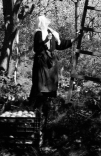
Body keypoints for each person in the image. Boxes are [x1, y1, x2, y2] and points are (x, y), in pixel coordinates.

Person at [29, 15, 79, 147]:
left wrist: (74, 39)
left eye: (46, 22)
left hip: (50, 65)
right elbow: (37, 48)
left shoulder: (51, 33)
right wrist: (45, 40)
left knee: (48, 94)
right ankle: (34, 118)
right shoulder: (39, 33)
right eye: (44, 22)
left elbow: (60, 44)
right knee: (39, 90)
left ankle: (44, 124)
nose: (45, 24)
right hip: (41, 64)